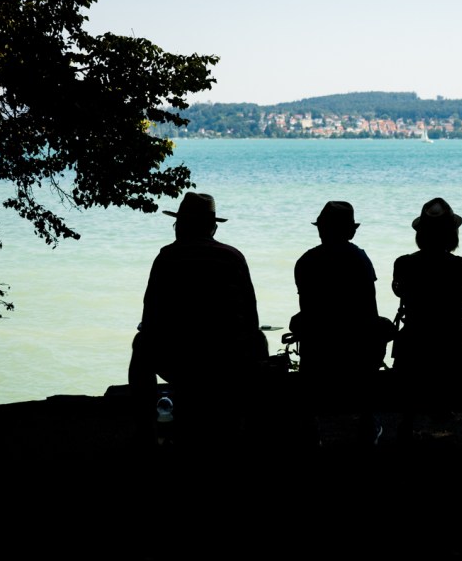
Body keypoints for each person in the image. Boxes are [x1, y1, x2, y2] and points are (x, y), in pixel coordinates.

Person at [128, 192, 266, 454]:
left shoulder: (166, 257)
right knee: (259, 339)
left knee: (141, 343)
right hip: (227, 358)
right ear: (212, 227)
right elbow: (251, 317)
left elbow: (150, 315)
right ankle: (253, 425)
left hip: (179, 360)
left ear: (180, 225)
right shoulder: (233, 257)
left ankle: (146, 431)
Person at [292, 200, 385, 447]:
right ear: (351, 231)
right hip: (356, 359)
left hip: (318, 358)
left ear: (321, 229)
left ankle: (310, 428)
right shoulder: (360, 260)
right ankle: (367, 422)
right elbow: (369, 311)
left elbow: (307, 311)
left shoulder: (306, 262)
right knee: (376, 330)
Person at [391, 197, 462, 443]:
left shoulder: (404, 264)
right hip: (451, 349)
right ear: (452, 235)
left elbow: (399, 292)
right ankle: (444, 410)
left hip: (414, 349)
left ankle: (408, 423)